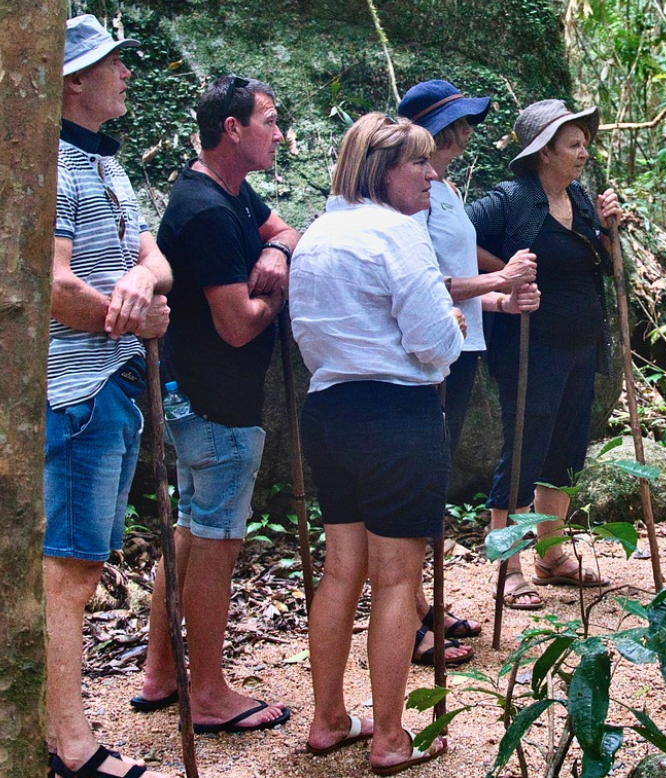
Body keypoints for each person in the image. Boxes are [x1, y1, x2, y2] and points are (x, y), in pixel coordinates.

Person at [290, 112, 463, 773]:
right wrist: (449, 320)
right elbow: (433, 345)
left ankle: (329, 717)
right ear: (382, 171)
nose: (430, 173)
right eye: (417, 163)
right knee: (395, 579)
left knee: (340, 572)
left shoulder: (316, 235)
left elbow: (309, 335)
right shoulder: (398, 235)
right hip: (396, 416)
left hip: (329, 411)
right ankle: (391, 736)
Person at [132, 75, 296, 734]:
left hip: (197, 397)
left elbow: (282, 229)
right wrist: (277, 299)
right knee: (216, 544)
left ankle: (160, 673)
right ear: (233, 128)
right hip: (215, 403)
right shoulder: (203, 212)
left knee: (192, 534)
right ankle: (210, 693)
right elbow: (236, 323)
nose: (279, 134)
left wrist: (279, 256)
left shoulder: (224, 189)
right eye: (269, 121)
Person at [47, 15, 174, 778]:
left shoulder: (105, 163)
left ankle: (62, 731)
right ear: (73, 81)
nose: (125, 74)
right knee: (68, 571)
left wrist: (140, 283)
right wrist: (132, 311)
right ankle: (69, 746)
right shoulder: (55, 166)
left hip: (114, 384)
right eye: (112, 64)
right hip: (76, 389)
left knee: (83, 565)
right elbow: (51, 286)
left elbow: (152, 254)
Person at [396, 79, 540, 657]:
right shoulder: (409, 198)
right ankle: (405, 611)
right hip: (432, 348)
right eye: (459, 121)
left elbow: (457, 272)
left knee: (434, 474)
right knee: (418, 479)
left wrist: (502, 301)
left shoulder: (446, 190)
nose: (468, 130)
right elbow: (427, 281)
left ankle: (419, 601)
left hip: (463, 345)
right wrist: (499, 280)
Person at [467, 99, 622, 610]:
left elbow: (603, 267)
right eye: (573, 144)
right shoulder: (512, 198)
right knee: (523, 449)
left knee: (566, 449)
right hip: (530, 348)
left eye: (584, 143)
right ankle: (507, 567)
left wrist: (608, 230)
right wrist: (503, 275)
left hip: (579, 346)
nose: (584, 152)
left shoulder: (577, 198)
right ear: (543, 151)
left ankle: (551, 556)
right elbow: (454, 237)